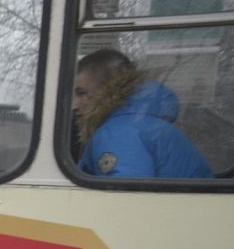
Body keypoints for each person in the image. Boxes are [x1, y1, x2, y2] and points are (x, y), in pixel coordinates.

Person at [72, 49, 214, 179]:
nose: (74, 106)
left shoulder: (119, 132)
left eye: (81, 93)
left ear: (106, 89)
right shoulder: (138, 122)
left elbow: (125, 197)